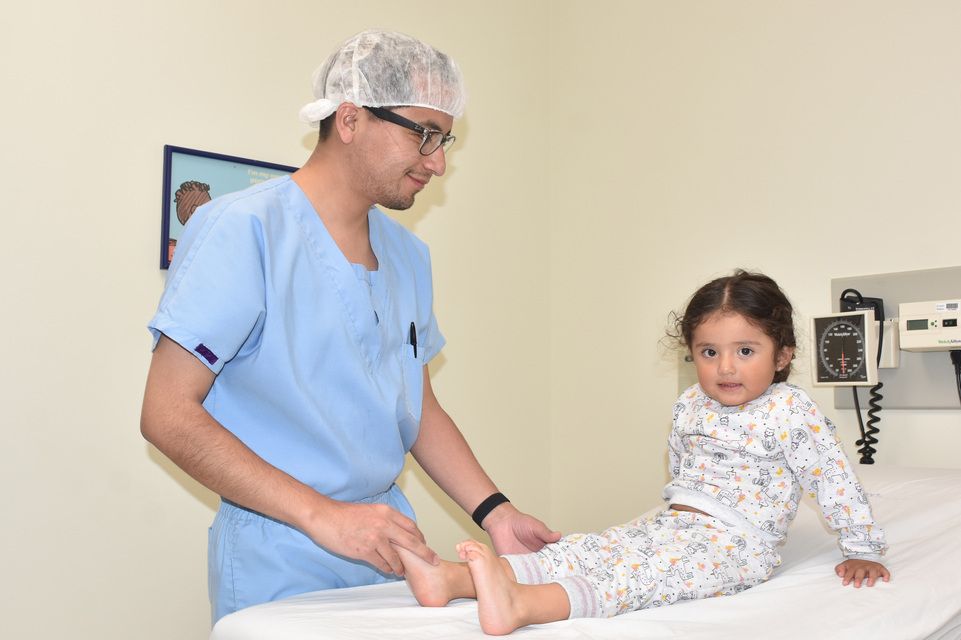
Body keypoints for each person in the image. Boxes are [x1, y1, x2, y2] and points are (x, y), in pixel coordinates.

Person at [140, 29, 559, 624]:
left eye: (446, 140)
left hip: (389, 543)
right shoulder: (242, 231)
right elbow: (166, 414)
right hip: (281, 545)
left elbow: (417, 407)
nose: (438, 163)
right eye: (425, 135)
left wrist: (496, 512)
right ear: (352, 118)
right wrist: (322, 517)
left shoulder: (408, 257)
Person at [397, 269, 890, 635]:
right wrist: (670, 518)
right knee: (590, 549)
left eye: (746, 350)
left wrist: (861, 549)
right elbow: (680, 466)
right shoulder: (691, 404)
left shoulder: (789, 409)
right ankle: (454, 580)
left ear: (782, 355)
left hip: (737, 546)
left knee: (641, 577)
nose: (725, 367)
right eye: (708, 351)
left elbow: (833, 478)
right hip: (673, 523)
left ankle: (523, 606)